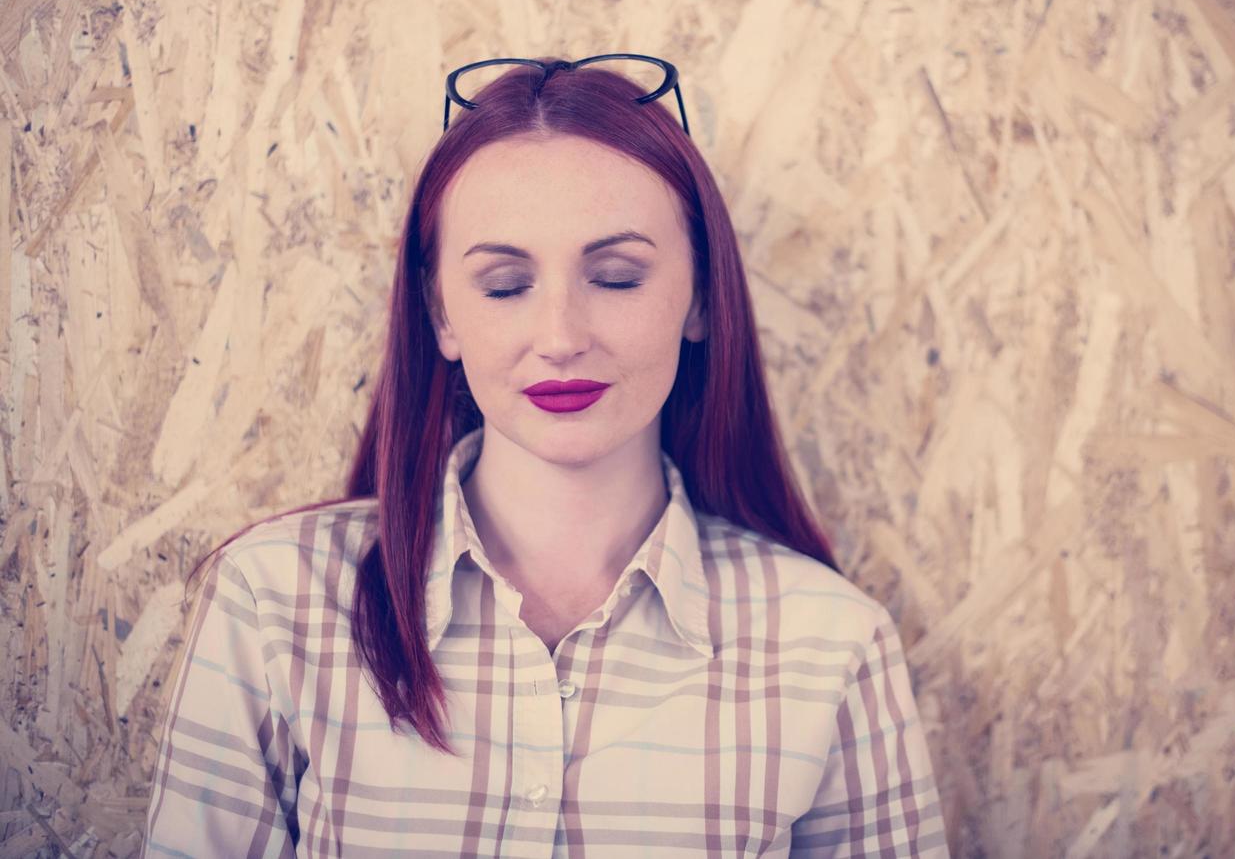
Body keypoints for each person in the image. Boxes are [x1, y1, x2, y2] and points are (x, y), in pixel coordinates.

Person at [142, 55, 949, 857]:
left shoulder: (833, 646)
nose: (561, 337)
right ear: (441, 314)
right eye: (504, 286)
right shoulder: (275, 601)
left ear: (700, 295)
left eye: (618, 277)